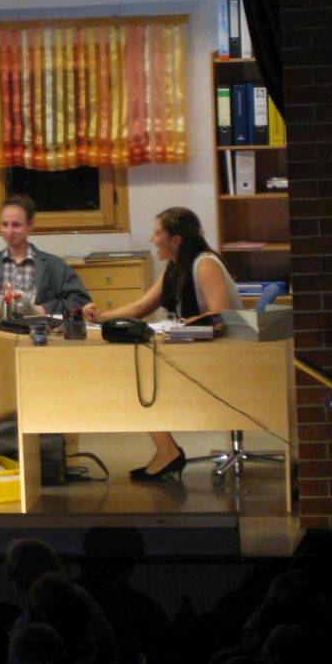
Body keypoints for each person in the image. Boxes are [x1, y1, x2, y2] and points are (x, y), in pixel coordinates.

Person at [82, 206, 241, 480]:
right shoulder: (175, 267)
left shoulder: (204, 264)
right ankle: (167, 450)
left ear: (176, 240)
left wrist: (179, 328)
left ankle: (168, 453)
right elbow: (141, 307)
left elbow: (220, 315)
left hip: (224, 358)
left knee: (141, 377)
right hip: (194, 351)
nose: (152, 239)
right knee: (137, 372)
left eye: (157, 233)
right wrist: (101, 318)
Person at [0, 195, 90, 320]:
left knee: (27, 310)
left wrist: (41, 310)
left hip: (37, 329)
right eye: (5, 224)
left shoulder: (54, 265)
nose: (9, 231)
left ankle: (8, 308)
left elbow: (81, 300)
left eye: (16, 225)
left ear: (30, 225)